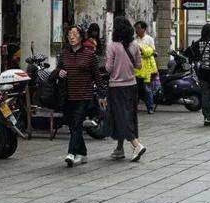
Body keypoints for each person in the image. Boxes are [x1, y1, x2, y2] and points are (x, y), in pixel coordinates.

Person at [56, 25, 104, 167]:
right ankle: (82, 153)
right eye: (69, 34)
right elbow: (58, 70)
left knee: (77, 122)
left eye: (75, 34)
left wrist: (101, 95)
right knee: (73, 125)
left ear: (81, 37)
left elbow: (97, 77)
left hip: (84, 95)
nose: (72, 37)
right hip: (68, 95)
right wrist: (59, 73)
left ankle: (71, 153)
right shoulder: (64, 54)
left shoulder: (89, 55)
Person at [105, 16, 146, 161]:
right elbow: (139, 65)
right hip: (132, 86)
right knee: (129, 115)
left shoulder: (112, 46)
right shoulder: (134, 45)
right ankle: (119, 148)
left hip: (116, 87)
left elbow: (108, 68)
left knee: (119, 116)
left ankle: (136, 144)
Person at [133, 20, 156, 114]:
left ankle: (150, 107)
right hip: (136, 68)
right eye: (136, 28)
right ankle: (134, 108)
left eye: (138, 28)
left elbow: (152, 51)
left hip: (147, 68)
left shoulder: (149, 39)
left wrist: (142, 50)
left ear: (144, 29)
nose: (137, 30)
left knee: (147, 89)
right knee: (136, 90)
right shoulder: (134, 40)